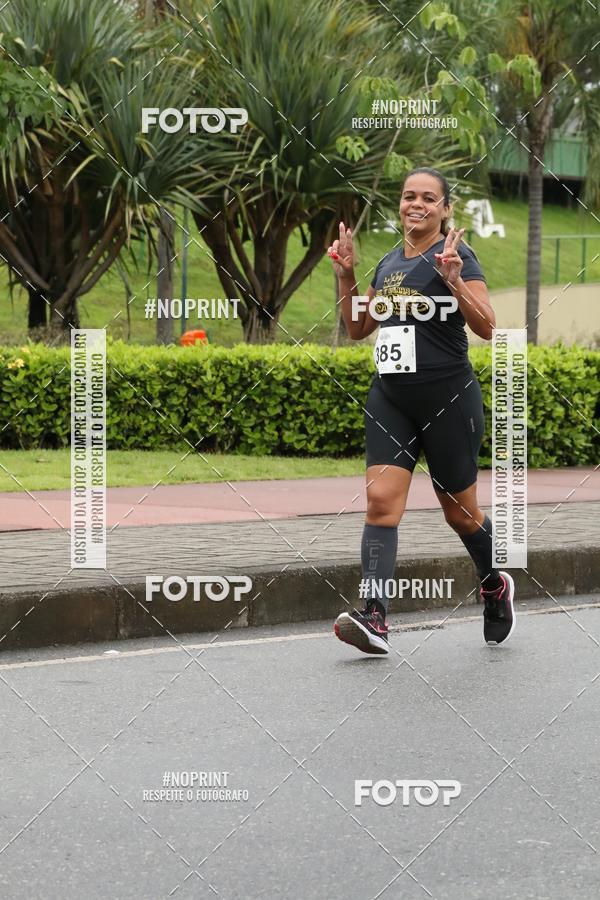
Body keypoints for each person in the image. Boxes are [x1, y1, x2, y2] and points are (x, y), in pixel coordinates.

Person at [328, 167, 515, 655]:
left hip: (448, 398)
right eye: (409, 196)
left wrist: (454, 281)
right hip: (391, 398)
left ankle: (494, 581)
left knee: (460, 513)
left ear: (445, 209)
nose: (417, 204)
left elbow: (488, 326)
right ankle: (374, 616)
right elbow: (357, 328)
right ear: (400, 204)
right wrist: (347, 275)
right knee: (381, 503)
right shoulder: (389, 262)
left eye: (429, 198)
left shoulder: (457, 254)